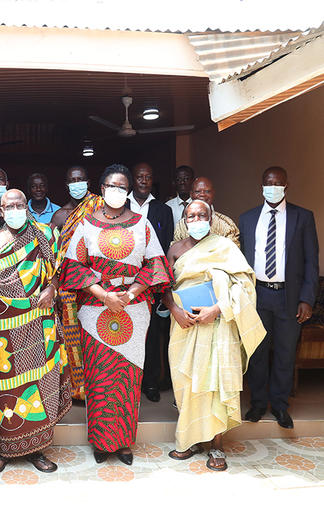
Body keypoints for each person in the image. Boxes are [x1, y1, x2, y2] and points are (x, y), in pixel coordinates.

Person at [60, 164, 171, 465]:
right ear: (102, 188)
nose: (116, 191)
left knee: (128, 377)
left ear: (129, 190)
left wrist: (131, 293)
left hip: (133, 311)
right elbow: (73, 267)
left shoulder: (142, 223)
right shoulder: (86, 224)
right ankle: (100, 441)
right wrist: (104, 295)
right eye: (111, 186)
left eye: (122, 187)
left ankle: (123, 443)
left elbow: (157, 265)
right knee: (99, 378)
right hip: (96, 311)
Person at [163, 200, 265, 470]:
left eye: (201, 215)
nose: (196, 220)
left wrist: (217, 309)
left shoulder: (226, 247)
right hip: (185, 325)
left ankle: (217, 446)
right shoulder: (175, 250)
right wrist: (175, 310)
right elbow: (163, 285)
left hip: (219, 324)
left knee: (216, 383)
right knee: (187, 382)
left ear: (211, 218)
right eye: (190, 216)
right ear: (184, 220)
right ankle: (193, 439)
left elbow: (245, 286)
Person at [0, 189, 70, 474]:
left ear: (26, 207)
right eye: (9, 206)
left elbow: (58, 272)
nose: (15, 210)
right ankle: (4, 450)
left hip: (41, 326)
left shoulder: (45, 235)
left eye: (20, 205)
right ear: (2, 211)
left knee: (42, 387)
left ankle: (38, 449)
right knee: (4, 390)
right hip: (4, 331)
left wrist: (52, 288)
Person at [239, 167, 319, 429]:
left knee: (285, 353)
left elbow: (311, 261)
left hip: (289, 296)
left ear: (286, 185)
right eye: (268, 183)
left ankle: (280, 406)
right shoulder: (248, 219)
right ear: (261, 186)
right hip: (258, 294)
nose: (272, 187)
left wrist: (307, 299)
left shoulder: (303, 217)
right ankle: (258, 404)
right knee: (257, 353)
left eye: (278, 183)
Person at [52, 166, 103, 400]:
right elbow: (52, 254)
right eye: (72, 180)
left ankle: (95, 388)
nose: (77, 183)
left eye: (80, 179)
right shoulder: (60, 216)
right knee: (72, 339)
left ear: (88, 181)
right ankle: (76, 389)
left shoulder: (100, 207)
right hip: (68, 288)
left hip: (95, 286)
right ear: (66, 184)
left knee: (95, 339)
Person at [127, 162, 175, 402]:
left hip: (152, 284)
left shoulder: (162, 210)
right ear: (132, 180)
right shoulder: (121, 205)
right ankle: (129, 384)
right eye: (139, 177)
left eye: (148, 177)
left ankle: (151, 383)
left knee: (153, 335)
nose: (144, 181)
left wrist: (160, 284)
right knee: (126, 334)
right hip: (123, 283)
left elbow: (165, 249)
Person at [173, 177, 240, 247]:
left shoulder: (227, 224)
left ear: (213, 193)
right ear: (191, 194)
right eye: (197, 192)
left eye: (207, 191)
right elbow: (176, 251)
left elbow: (233, 253)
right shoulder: (181, 225)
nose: (202, 194)